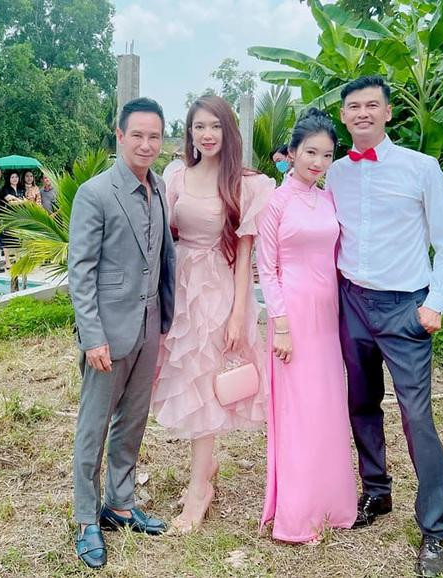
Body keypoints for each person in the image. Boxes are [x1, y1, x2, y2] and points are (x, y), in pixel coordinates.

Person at [326, 76, 443, 577]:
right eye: (353, 106)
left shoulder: (420, 168)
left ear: (387, 113)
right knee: (361, 403)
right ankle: (376, 491)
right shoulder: (335, 172)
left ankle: (435, 530)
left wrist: (435, 303)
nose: (362, 113)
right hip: (352, 303)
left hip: (406, 307)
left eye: (371, 105)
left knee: (416, 417)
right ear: (344, 115)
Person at [151, 95, 274, 533]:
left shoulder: (245, 184)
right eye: (199, 126)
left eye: (215, 126)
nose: (207, 134)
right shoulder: (175, 176)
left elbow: (244, 256)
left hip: (218, 289)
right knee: (185, 377)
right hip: (180, 286)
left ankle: (199, 490)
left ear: (228, 131)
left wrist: (239, 313)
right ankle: (207, 470)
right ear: (189, 132)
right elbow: (165, 237)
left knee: (205, 384)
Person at [68, 97, 176, 569]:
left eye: (154, 136)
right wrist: (92, 336)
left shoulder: (160, 187)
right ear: (120, 135)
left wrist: (165, 318)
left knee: (133, 419)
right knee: (93, 426)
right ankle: (86, 517)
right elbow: (81, 271)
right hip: (108, 332)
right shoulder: (95, 193)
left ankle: (120, 503)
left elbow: (163, 257)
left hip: (150, 323)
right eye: (138, 135)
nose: (146, 144)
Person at [257, 109, 357, 543]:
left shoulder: (329, 198)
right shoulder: (276, 202)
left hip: (327, 314)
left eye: (327, 155)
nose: (318, 162)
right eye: (311, 152)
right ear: (293, 152)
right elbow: (267, 268)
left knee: (327, 406)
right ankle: (298, 514)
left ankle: (333, 505)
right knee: (298, 410)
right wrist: (280, 325)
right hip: (292, 316)